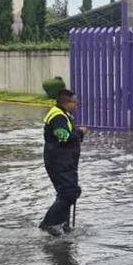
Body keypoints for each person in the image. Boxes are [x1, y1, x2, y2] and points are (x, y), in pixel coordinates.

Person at [40, 89, 87, 236]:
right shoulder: (58, 116)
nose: (77, 105)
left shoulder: (62, 114)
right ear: (67, 103)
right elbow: (63, 136)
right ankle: (49, 224)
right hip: (59, 161)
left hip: (64, 161)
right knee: (69, 193)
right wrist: (80, 133)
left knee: (66, 193)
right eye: (75, 102)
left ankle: (63, 225)